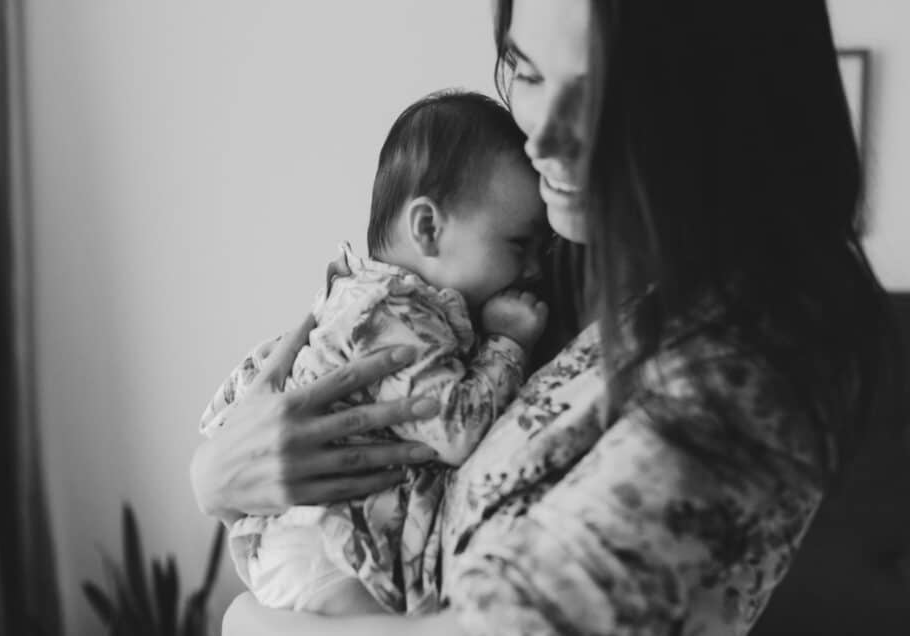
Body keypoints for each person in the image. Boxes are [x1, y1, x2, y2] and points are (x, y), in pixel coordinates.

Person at [190, 1, 900, 634]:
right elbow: (327, 378)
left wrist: (249, 621)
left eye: (595, 99)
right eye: (526, 72)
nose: (543, 141)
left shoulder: (743, 367)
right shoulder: (565, 259)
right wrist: (216, 477)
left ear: (715, 105)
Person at [199, 90, 550, 616]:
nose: (535, 270)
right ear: (428, 228)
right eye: (519, 246)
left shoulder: (362, 302)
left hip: (312, 539)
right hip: (324, 546)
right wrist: (508, 343)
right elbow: (455, 430)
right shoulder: (396, 313)